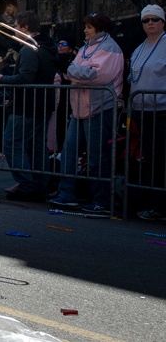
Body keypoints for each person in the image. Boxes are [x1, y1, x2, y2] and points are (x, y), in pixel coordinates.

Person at [48, 12, 124, 216]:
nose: (85, 30)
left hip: (100, 108)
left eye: (89, 27)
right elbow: (78, 71)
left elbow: (97, 75)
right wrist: (70, 69)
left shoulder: (110, 48)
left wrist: (69, 69)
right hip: (80, 108)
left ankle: (102, 200)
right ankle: (67, 195)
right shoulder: (85, 47)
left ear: (100, 28)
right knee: (69, 152)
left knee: (97, 157)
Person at [0, 11, 57, 202]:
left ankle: (27, 184)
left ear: (25, 28)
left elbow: (25, 78)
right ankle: (39, 184)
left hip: (27, 106)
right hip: (40, 105)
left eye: (16, 26)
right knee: (36, 146)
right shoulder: (47, 46)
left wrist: (2, 78)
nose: (14, 29)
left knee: (12, 143)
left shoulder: (29, 49)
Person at [129, 5, 166, 221]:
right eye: (146, 20)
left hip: (162, 111)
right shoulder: (140, 48)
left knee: (162, 160)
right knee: (151, 160)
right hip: (142, 112)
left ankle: (160, 206)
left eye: (154, 19)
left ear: (162, 22)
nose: (150, 23)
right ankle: (154, 204)